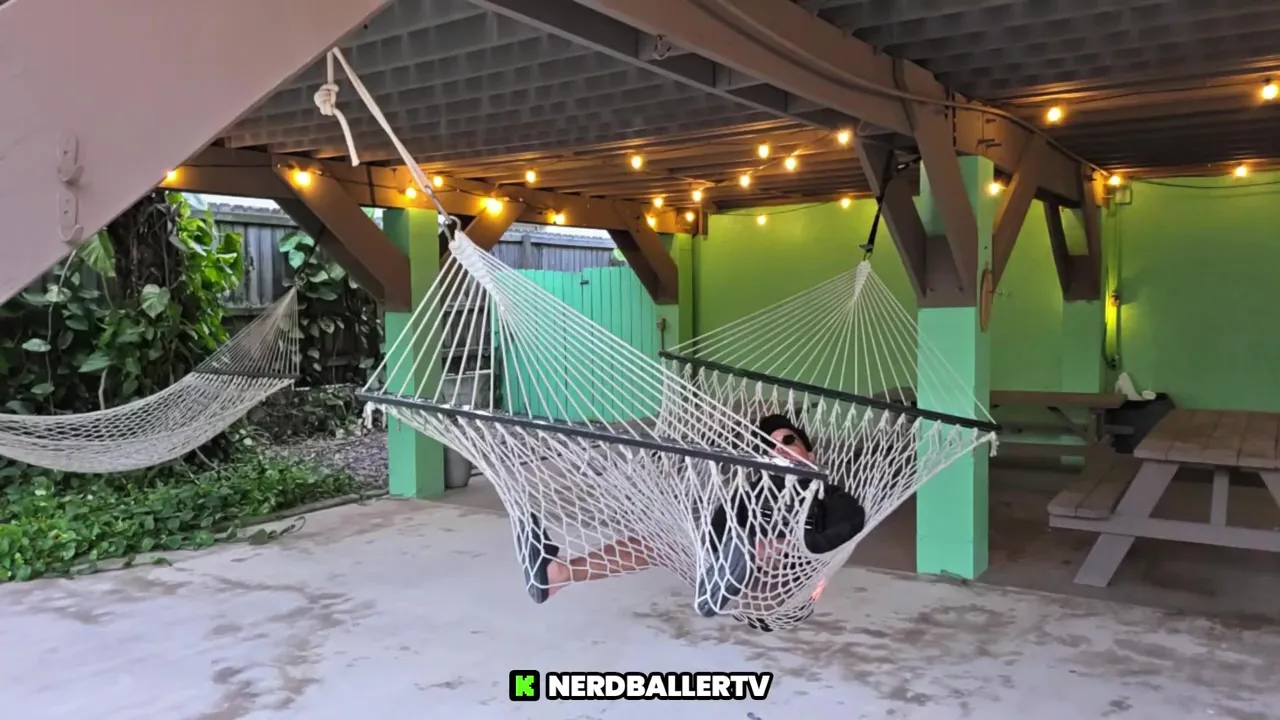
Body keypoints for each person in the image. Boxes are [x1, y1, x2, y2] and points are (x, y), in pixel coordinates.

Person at [518, 414, 868, 620]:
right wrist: (707, 551)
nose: (779, 449)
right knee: (661, 542)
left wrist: (788, 547)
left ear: (809, 451)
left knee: (750, 551)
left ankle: (727, 578)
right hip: (740, 573)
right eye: (769, 446)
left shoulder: (831, 499)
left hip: (790, 582)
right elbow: (719, 529)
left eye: (787, 440)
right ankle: (557, 575)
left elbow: (848, 527)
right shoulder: (752, 491)